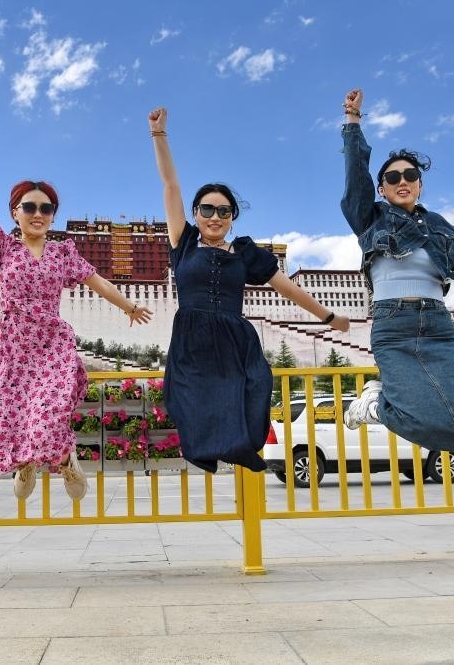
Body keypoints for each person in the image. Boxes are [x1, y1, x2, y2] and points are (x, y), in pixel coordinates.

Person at [0, 111, 152, 501]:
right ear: (15, 212)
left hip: (51, 344)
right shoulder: (3, 247)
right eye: (29, 207)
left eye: (45, 208)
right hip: (13, 347)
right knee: (0, 413)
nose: (37, 214)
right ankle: (24, 464)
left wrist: (129, 307)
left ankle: (65, 460)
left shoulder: (63, 253)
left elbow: (97, 281)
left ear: (52, 215)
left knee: (48, 411)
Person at [148, 107, 350, 473]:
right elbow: (171, 186)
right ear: (195, 213)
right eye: (208, 209)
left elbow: (287, 287)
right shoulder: (184, 242)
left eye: (224, 212)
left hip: (234, 335)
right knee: (191, 395)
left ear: (232, 218)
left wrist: (329, 316)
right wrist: (159, 135)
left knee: (256, 383)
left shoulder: (245, 252)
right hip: (192, 337)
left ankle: (241, 446)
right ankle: (207, 450)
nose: (215, 217)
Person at [338, 88, 454, 453]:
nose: (402, 181)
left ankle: (380, 399)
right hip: (393, 325)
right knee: (419, 419)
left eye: (410, 175)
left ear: (419, 183)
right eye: (392, 177)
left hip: (438, 325)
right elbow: (355, 178)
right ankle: (375, 405)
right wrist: (353, 122)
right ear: (381, 189)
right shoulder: (370, 218)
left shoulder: (441, 227)